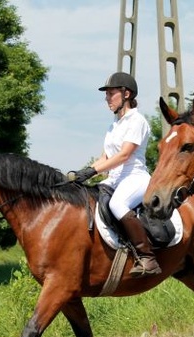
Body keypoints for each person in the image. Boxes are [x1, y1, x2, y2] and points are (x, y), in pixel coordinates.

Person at [71, 72, 161, 277]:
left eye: (111, 94)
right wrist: (81, 174)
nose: (107, 98)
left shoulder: (136, 121)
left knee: (117, 205)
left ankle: (147, 257)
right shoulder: (113, 125)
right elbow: (105, 158)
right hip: (114, 179)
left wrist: (93, 170)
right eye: (107, 94)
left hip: (135, 178)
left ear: (126, 94)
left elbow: (124, 155)